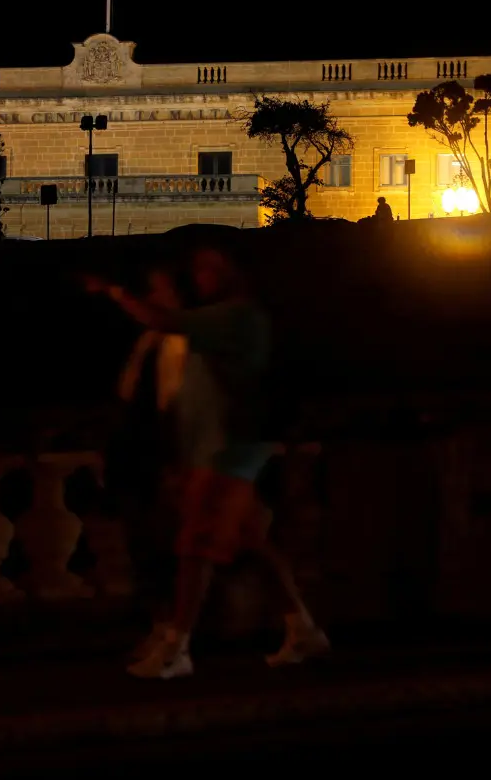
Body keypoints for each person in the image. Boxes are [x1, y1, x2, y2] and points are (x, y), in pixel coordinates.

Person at [84, 243, 329, 679]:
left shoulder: (235, 317)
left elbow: (163, 321)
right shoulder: (215, 323)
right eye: (198, 268)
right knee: (251, 539)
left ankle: (178, 646)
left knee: (196, 545)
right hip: (215, 448)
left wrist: (116, 293)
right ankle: (302, 627)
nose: (202, 277)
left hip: (228, 448)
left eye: (211, 268)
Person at [103, 266, 188, 658]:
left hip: (156, 455)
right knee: (147, 546)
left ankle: (170, 631)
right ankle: (163, 627)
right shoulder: (154, 339)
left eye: (160, 290)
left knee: (162, 547)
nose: (153, 299)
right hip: (139, 453)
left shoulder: (176, 341)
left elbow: (170, 405)